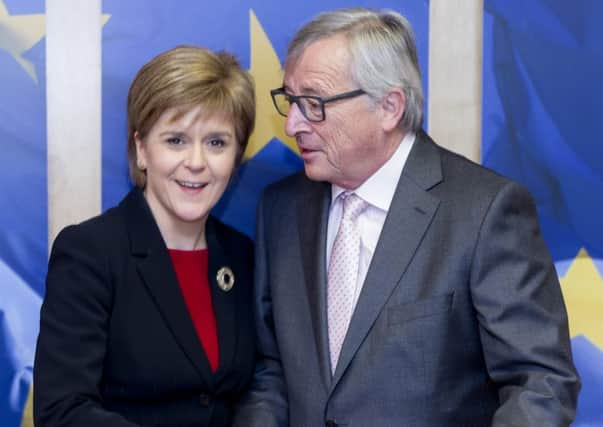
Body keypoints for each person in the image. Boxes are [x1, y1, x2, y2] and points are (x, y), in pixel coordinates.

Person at [233, 8, 580, 427]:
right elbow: (272, 372)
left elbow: (541, 382)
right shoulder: (281, 210)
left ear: (389, 107)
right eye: (291, 101)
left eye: (313, 103)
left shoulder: (484, 212)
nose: (292, 124)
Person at [34, 45, 256, 427]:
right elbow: (62, 411)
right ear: (141, 149)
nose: (197, 162)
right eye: (176, 140)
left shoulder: (242, 255)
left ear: (236, 158)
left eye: (217, 142)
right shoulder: (90, 253)